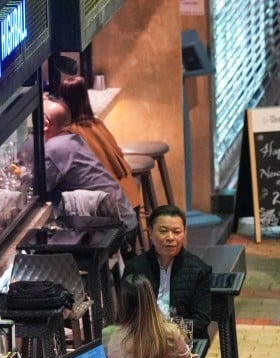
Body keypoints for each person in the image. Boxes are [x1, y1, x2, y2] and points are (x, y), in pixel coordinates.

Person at [42, 96, 137, 231]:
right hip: (126, 216)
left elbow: (38, 189)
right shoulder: (72, 139)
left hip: (116, 230)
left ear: (46, 124)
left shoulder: (54, 147)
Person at [56, 74, 142, 213]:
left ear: (64, 103)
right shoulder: (97, 124)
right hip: (132, 198)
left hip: (113, 210)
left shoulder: (72, 136)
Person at [123, 204, 212, 338]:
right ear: (151, 233)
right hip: (145, 340)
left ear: (183, 234)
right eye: (163, 231)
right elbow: (128, 314)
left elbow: (201, 318)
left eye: (176, 232)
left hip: (183, 339)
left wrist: (170, 334)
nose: (170, 237)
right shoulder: (134, 267)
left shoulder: (199, 270)